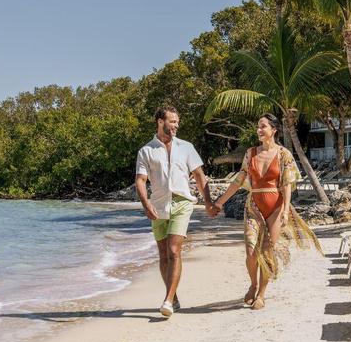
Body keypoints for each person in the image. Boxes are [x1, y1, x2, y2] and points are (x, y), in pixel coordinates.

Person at [212, 113, 320, 310]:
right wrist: (219, 202)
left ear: (273, 130)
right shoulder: (250, 153)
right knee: (251, 251)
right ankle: (253, 284)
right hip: (254, 205)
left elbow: (287, 184)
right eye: (258, 126)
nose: (259, 130)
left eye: (263, 126)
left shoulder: (283, 154)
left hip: (276, 207)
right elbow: (238, 180)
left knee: (267, 250)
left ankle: (261, 294)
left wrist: (286, 210)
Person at [135, 106, 217, 318]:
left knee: (173, 250)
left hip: (182, 203)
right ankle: (173, 295)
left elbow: (199, 175)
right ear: (160, 122)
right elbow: (141, 181)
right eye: (172, 122)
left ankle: (168, 301)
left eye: (177, 122)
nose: (176, 126)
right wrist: (146, 204)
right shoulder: (146, 151)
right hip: (158, 206)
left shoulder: (186, 147)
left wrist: (207, 202)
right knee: (163, 254)